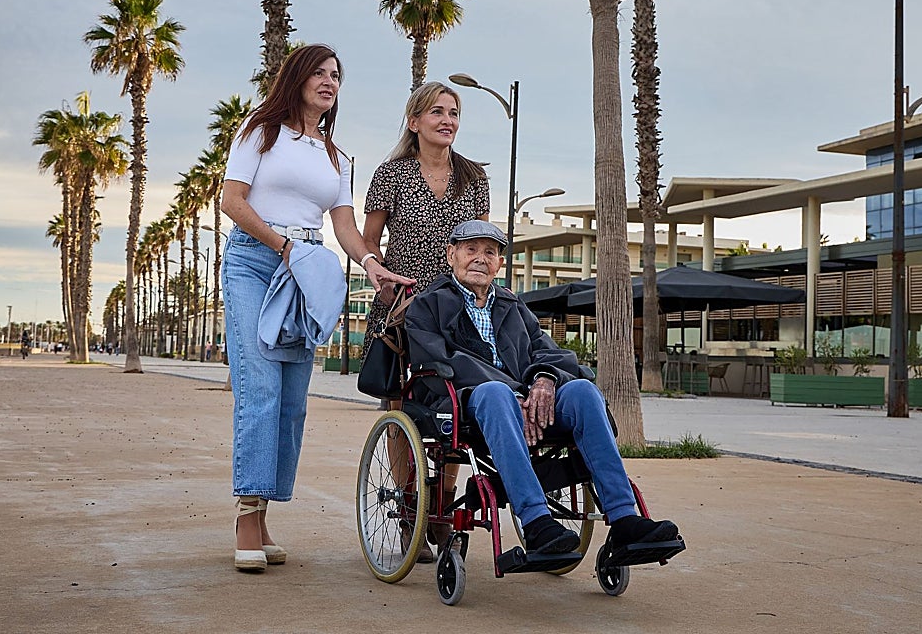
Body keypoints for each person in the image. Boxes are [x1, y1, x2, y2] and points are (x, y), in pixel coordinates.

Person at [220, 43, 412, 573]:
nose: (330, 82)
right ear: (298, 78)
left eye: (336, 75)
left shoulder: (335, 156)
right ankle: (247, 517)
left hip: (306, 270)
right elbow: (232, 201)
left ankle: (263, 512)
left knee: (291, 402)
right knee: (260, 390)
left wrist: (372, 265)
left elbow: (344, 226)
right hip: (255, 261)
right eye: (320, 73)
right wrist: (282, 247)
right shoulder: (260, 131)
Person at [405, 220, 681, 559]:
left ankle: (624, 518)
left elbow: (547, 350)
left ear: (499, 263)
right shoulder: (427, 305)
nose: (480, 258)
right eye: (471, 249)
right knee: (496, 394)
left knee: (583, 392)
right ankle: (536, 522)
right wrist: (515, 393)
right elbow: (442, 361)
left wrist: (544, 379)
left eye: (489, 252)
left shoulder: (512, 305)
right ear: (451, 255)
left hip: (525, 401)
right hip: (466, 402)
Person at [362, 81, 490, 562]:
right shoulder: (391, 174)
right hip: (401, 306)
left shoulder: (473, 177)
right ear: (414, 121)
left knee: (454, 405)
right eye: (436, 112)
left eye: (453, 113)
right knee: (399, 406)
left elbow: (479, 245)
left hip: (456, 308)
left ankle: (442, 509)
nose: (447, 120)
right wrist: (381, 275)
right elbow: (369, 242)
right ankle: (408, 508)